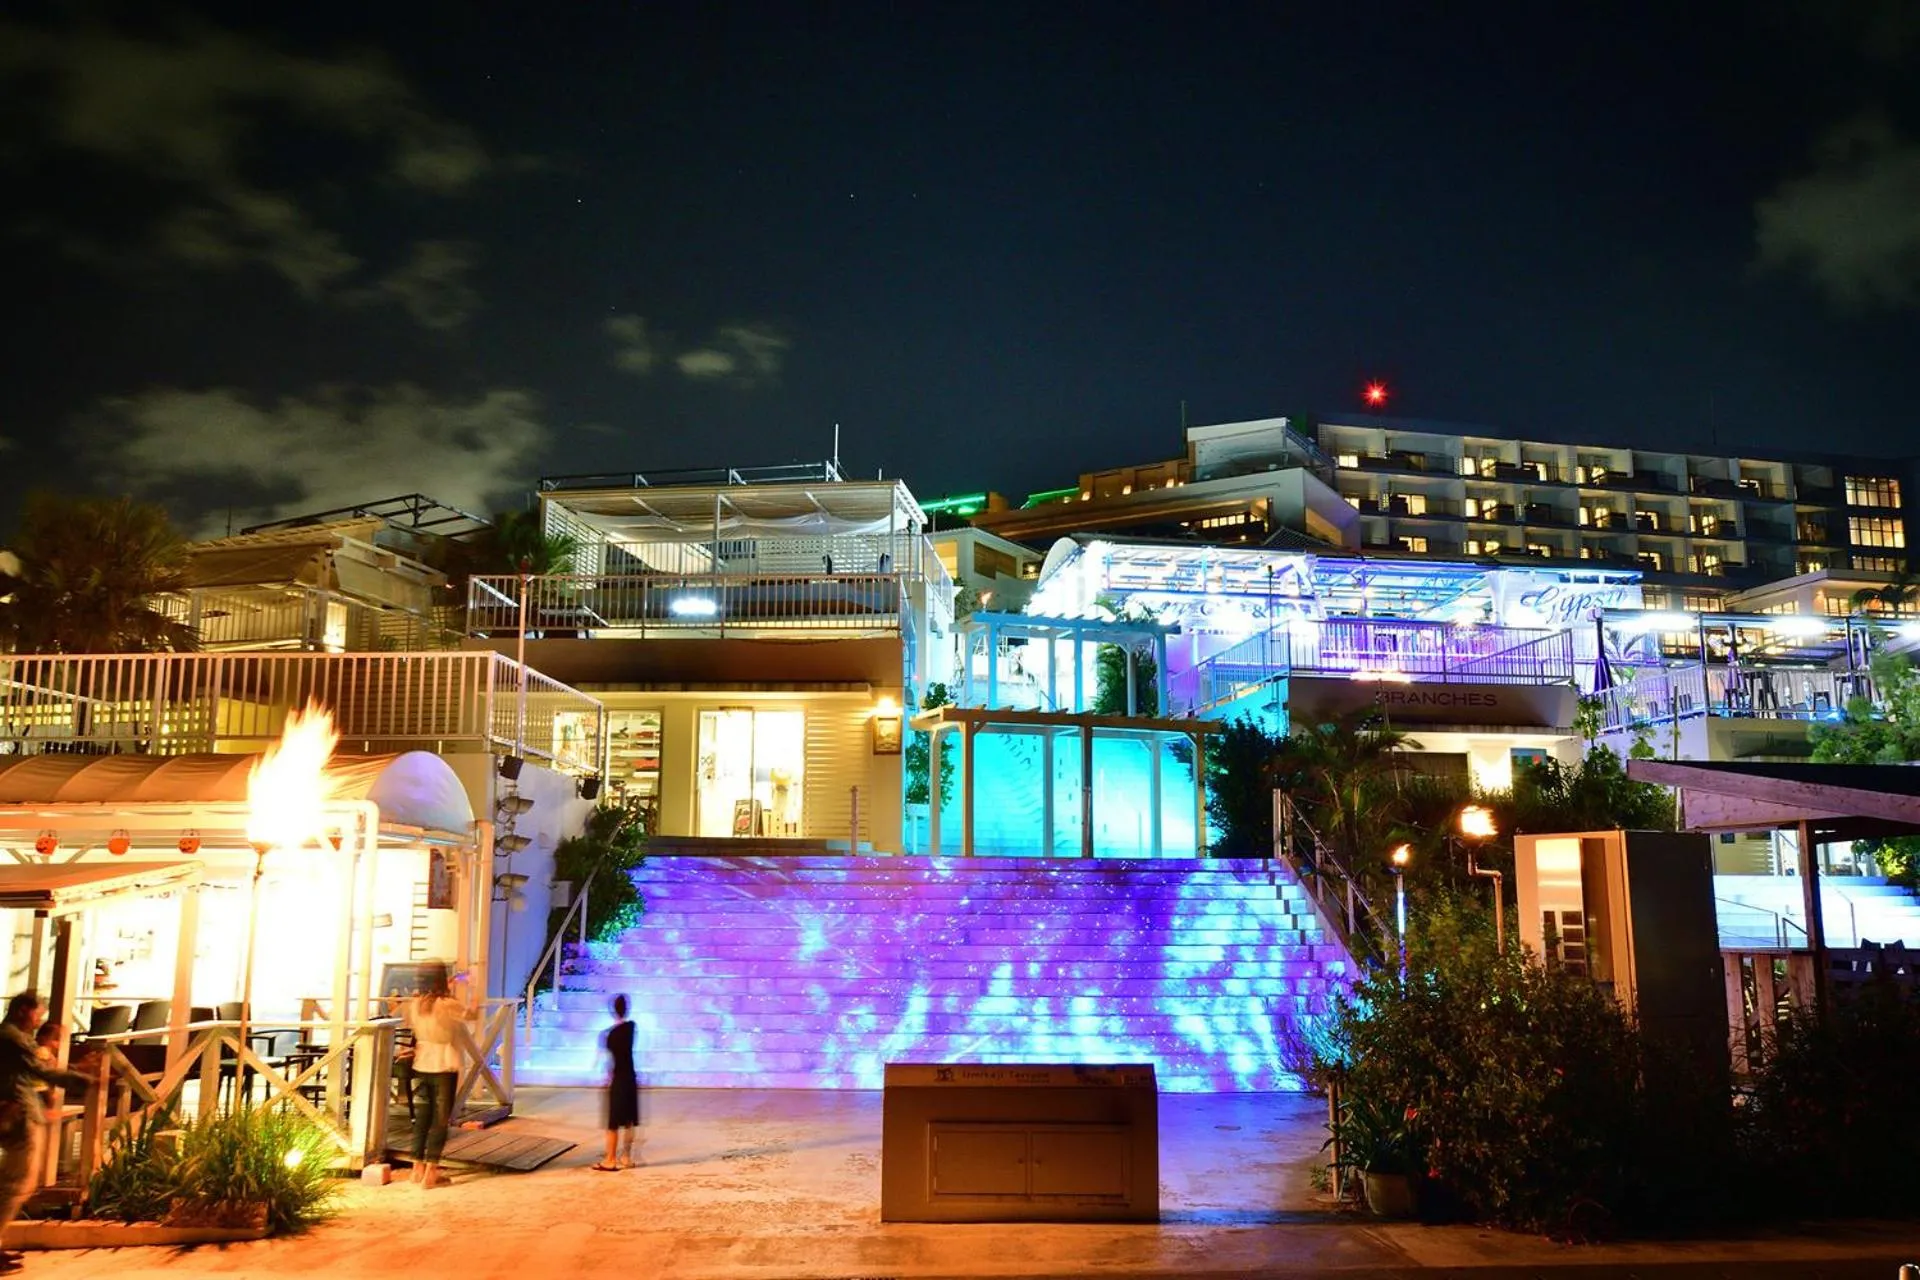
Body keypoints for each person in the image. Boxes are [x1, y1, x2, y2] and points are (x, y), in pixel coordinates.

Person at [0, 993, 91, 1270]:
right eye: (38, 1012)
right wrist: (87, 1079)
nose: (40, 1019)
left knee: (15, 1182)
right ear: (23, 1010)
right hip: (19, 1116)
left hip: (18, 1113)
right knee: (16, 1184)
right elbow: (41, 1071)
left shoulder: (11, 1037)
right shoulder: (12, 1038)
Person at [402, 971, 473, 1189]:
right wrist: (472, 988)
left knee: (422, 1117)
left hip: (422, 1063)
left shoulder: (415, 1004)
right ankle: (431, 1174)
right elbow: (471, 1014)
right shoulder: (448, 1004)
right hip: (444, 1063)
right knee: (440, 1121)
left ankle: (417, 1169)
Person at [592, 995, 639, 1171]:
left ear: (613, 1010)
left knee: (613, 1122)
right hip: (630, 1077)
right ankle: (626, 1157)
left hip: (618, 1078)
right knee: (628, 1120)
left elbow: (609, 1061)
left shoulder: (609, 1035)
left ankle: (610, 1160)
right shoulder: (631, 1028)